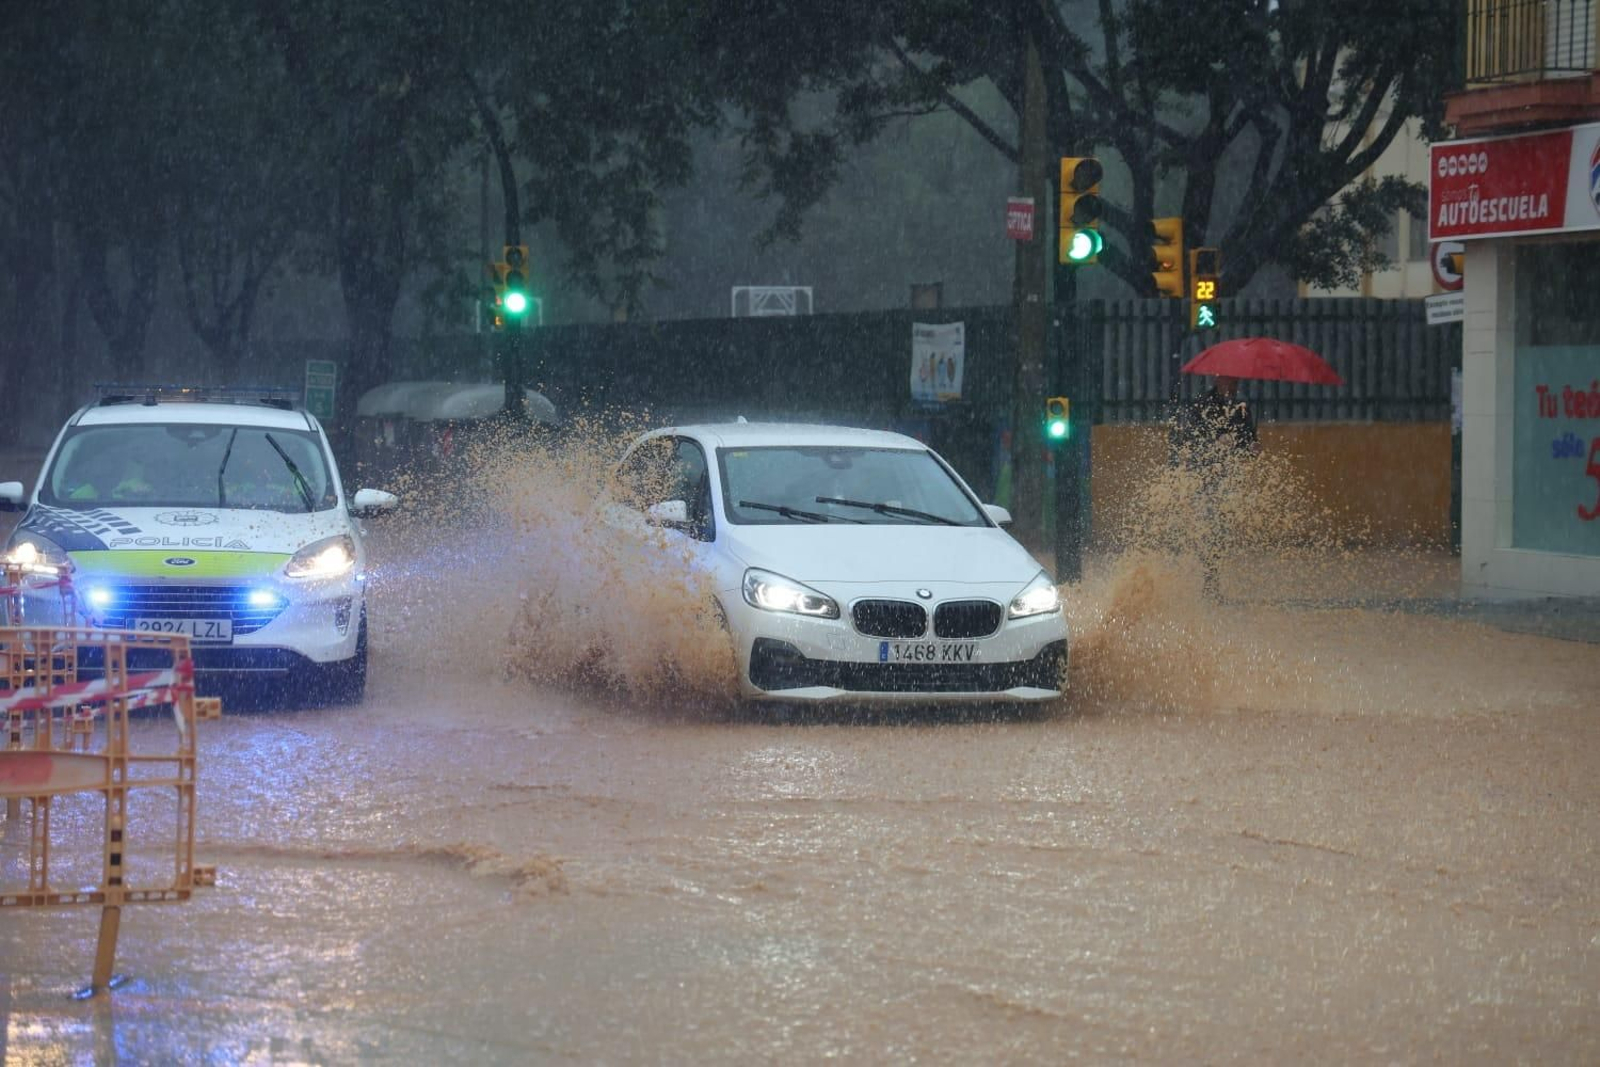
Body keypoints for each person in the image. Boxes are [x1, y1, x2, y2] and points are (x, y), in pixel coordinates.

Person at [1166, 375, 1259, 599]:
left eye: (1236, 382)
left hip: (1228, 475)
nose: (1233, 386)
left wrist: (1252, 445)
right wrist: (1215, 440)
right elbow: (1191, 436)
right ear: (1218, 381)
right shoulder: (1204, 403)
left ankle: (1211, 576)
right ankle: (1204, 577)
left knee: (1220, 529)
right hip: (1203, 475)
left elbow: (1247, 438)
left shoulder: (1242, 407)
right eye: (1229, 381)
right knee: (1208, 526)